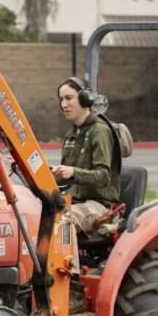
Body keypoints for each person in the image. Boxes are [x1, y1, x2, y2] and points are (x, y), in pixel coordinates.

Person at [52, 77, 121, 235]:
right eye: (61, 100)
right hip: (74, 202)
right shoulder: (71, 135)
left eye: (69, 98)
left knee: (63, 222)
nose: (64, 105)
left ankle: (70, 261)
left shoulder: (100, 131)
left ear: (85, 99)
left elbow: (103, 176)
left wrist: (73, 172)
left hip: (99, 205)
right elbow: (65, 178)